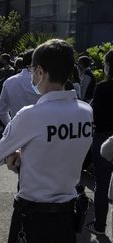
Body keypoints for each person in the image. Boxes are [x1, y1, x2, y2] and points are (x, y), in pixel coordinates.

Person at [0, 39, 93, 243]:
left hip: (33, 215)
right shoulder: (86, 111)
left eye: (32, 70)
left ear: (40, 71)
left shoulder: (31, 115)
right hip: (67, 213)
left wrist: (19, 154)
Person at [85, 50, 113, 235]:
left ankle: (100, 226)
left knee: (101, 185)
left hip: (103, 137)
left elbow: (93, 115)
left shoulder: (103, 87)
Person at [0, 50, 41, 126]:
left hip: (18, 129)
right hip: (43, 130)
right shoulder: (47, 81)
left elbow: (1, 112)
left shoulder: (9, 82)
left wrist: (12, 126)